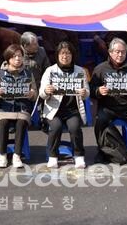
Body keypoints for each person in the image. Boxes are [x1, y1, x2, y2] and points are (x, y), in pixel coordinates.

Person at [91, 38, 127, 163]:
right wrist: (98, 91)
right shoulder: (100, 69)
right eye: (117, 52)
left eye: (123, 52)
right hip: (108, 107)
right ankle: (102, 150)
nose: (120, 55)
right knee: (100, 120)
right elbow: (91, 89)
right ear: (110, 52)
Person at [40, 41, 89, 169]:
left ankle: (79, 156)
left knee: (74, 127)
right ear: (57, 55)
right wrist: (46, 91)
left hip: (73, 110)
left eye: (68, 53)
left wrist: (84, 93)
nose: (65, 56)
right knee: (56, 126)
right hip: (54, 110)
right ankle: (52, 156)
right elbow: (41, 94)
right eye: (62, 53)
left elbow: (87, 93)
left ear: (72, 55)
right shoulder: (50, 71)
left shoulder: (80, 71)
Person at [0, 44, 37, 169]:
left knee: (21, 122)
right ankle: (2, 155)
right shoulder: (0, 74)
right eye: (14, 56)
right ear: (8, 59)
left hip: (22, 109)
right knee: (4, 122)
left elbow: (35, 93)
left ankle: (17, 155)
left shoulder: (28, 73)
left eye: (20, 56)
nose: (18, 59)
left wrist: (32, 94)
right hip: (3, 109)